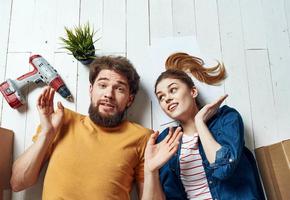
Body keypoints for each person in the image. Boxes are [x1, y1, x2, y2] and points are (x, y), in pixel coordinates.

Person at [10, 56, 151, 200]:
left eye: (120, 89)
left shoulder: (143, 138)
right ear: (91, 89)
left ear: (130, 99)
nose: (109, 94)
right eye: (102, 85)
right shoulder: (61, 120)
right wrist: (47, 134)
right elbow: (17, 183)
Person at [142, 68, 265, 199]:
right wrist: (150, 170)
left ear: (193, 91)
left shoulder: (225, 118)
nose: (167, 99)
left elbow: (224, 168)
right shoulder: (167, 140)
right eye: (161, 97)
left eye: (173, 90)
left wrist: (199, 122)